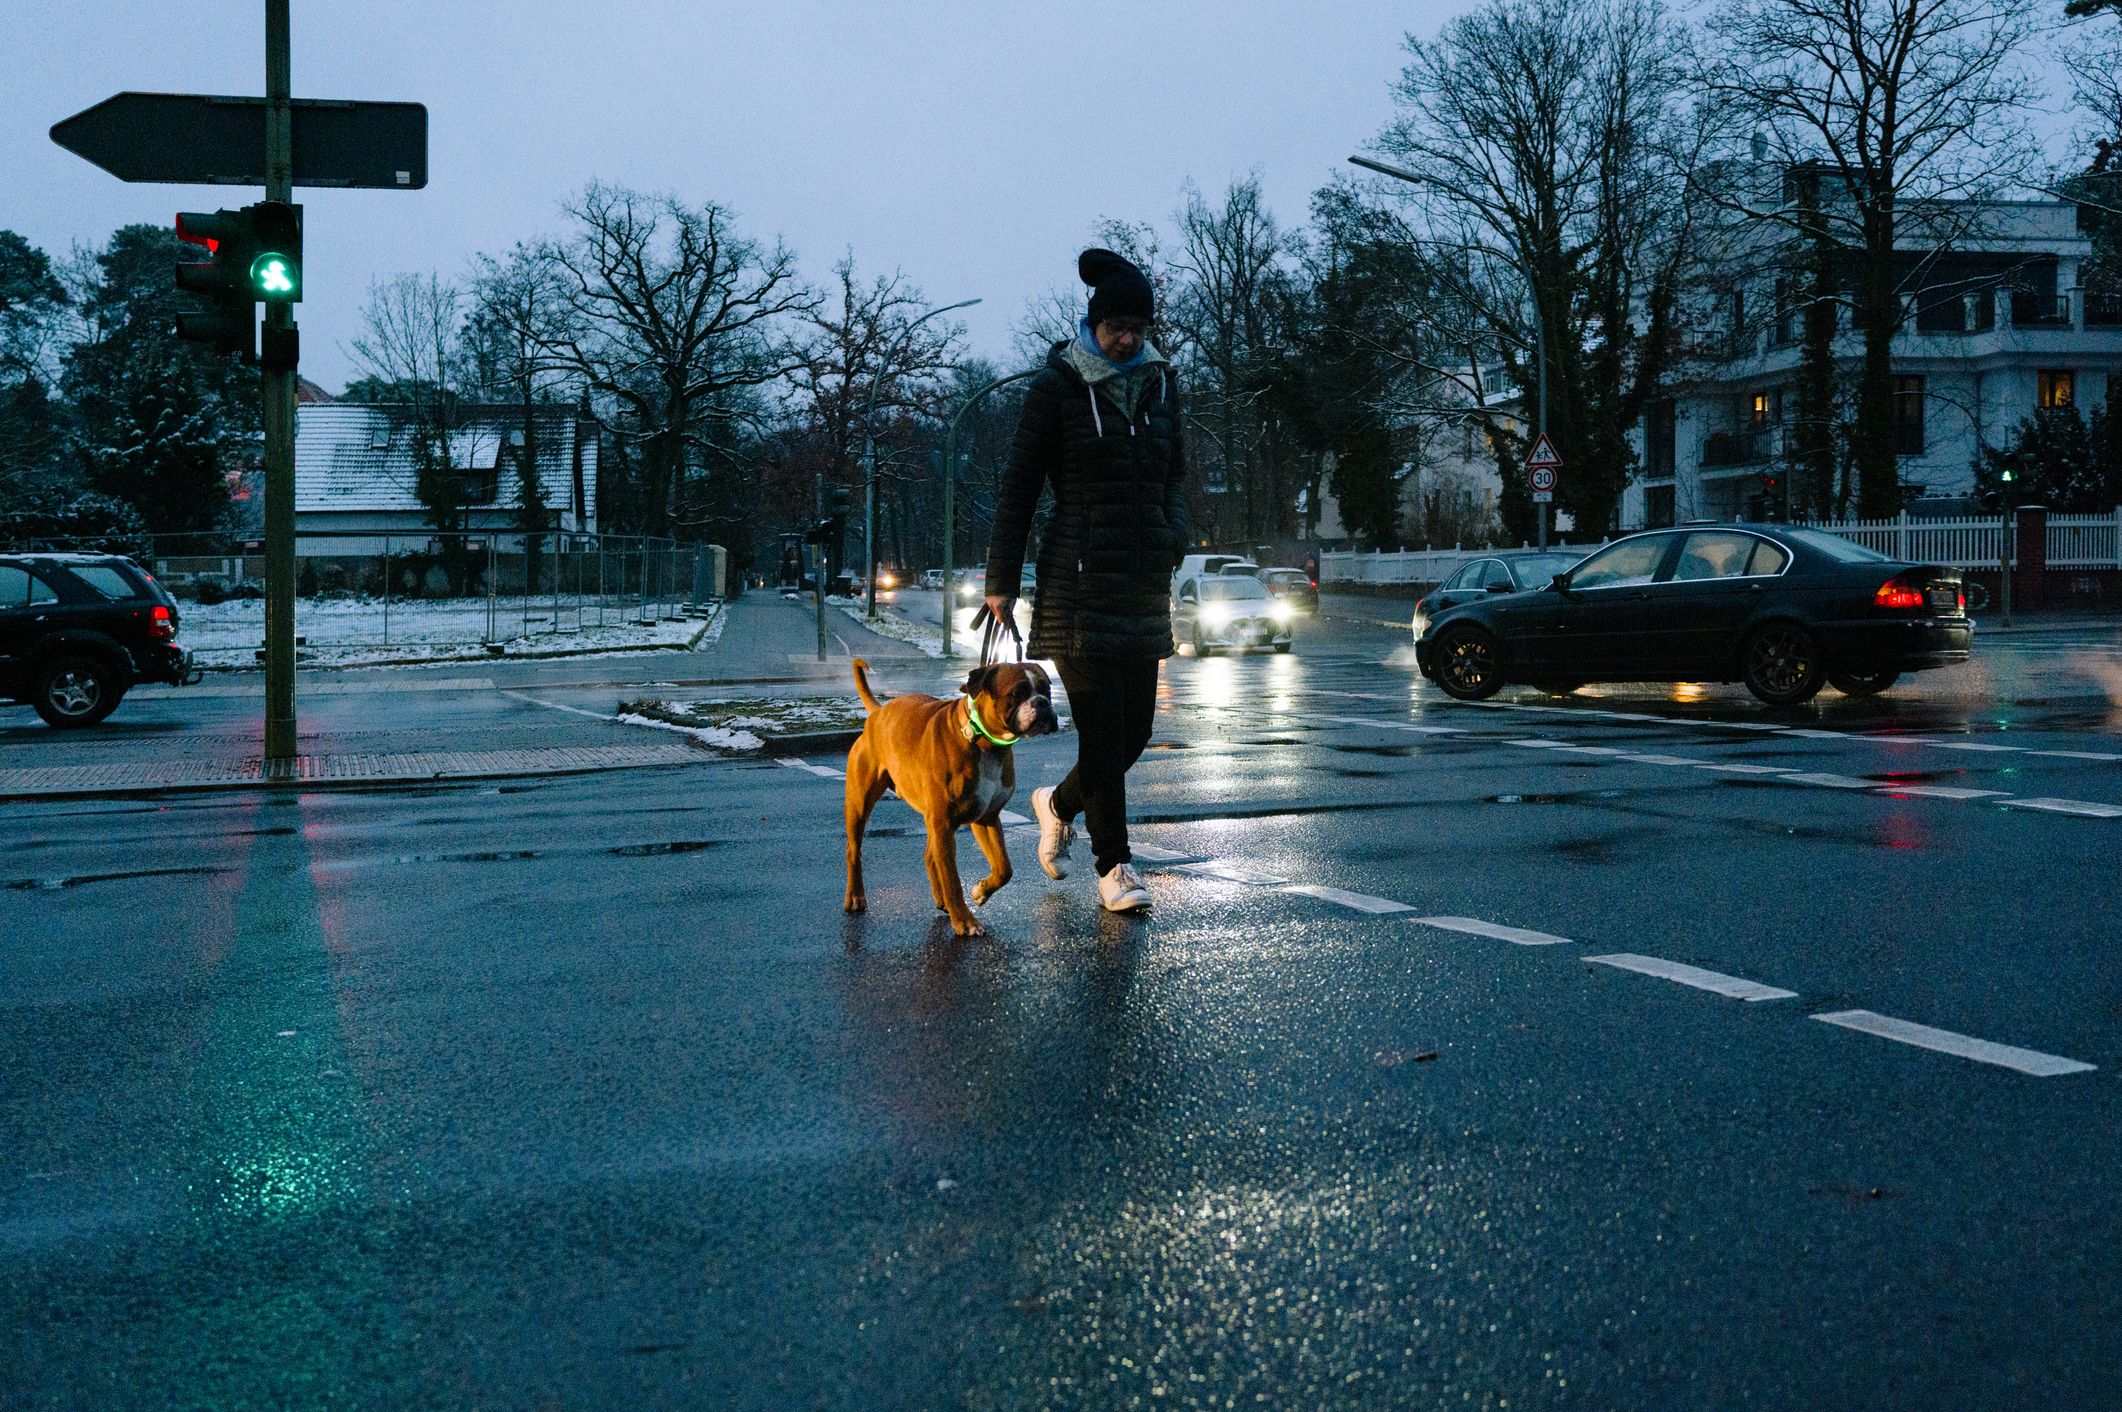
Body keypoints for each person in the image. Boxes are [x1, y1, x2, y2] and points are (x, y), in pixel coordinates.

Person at [983, 248, 1187, 914]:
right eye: (1115, 325)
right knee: (1102, 735)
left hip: (1141, 583)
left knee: (1131, 737)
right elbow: (1019, 486)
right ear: (1093, 323)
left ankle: (1058, 803)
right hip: (1078, 586)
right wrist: (1000, 581)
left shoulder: (1161, 384)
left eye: (1137, 325)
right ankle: (1115, 867)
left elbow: (1176, 474)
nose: (1126, 337)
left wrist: (1171, 532)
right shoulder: (1059, 387)